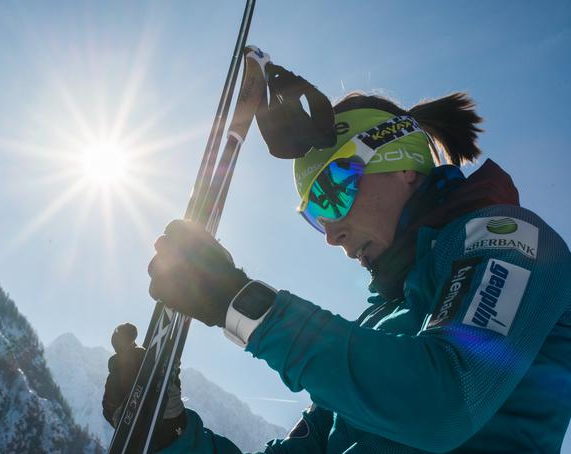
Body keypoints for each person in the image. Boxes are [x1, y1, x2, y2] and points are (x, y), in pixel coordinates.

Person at [103, 92, 571, 453]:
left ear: (401, 162)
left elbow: (445, 400)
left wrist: (240, 304)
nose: (331, 234)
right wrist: (172, 434)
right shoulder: (379, 326)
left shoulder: (510, 242)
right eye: (315, 214)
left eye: (333, 193)